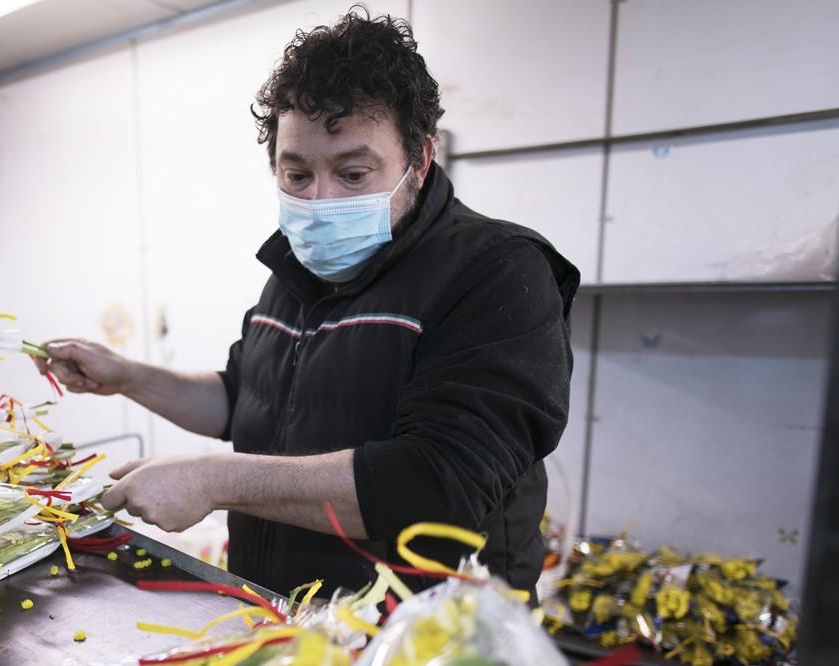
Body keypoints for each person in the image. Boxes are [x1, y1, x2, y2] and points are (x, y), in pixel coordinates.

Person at [32, 10, 578, 597]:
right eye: (296, 175)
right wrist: (128, 377)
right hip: (284, 618)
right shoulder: (298, 270)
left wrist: (215, 480)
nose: (319, 202)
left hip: (423, 643)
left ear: (419, 160)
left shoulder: (495, 270)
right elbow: (244, 397)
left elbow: (439, 483)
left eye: (352, 173)